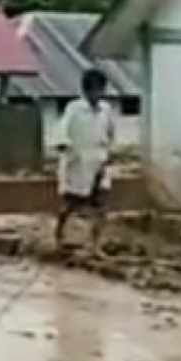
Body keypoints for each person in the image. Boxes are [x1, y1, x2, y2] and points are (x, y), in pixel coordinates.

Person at [54, 68, 114, 248]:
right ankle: (60, 233)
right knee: (72, 202)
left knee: (101, 202)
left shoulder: (106, 110)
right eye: (95, 90)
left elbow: (111, 133)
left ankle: (95, 240)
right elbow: (62, 129)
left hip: (99, 160)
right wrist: (63, 143)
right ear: (87, 91)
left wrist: (110, 153)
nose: (98, 94)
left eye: (101, 90)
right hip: (78, 160)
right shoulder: (74, 109)